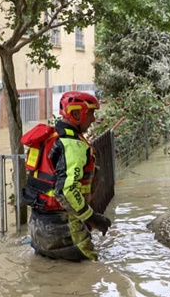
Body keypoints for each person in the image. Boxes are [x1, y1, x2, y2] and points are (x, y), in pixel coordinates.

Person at [21, 91, 112, 262]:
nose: (93, 119)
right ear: (76, 113)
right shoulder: (73, 145)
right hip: (63, 230)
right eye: (91, 113)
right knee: (91, 270)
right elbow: (66, 191)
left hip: (37, 230)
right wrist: (93, 218)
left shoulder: (50, 138)